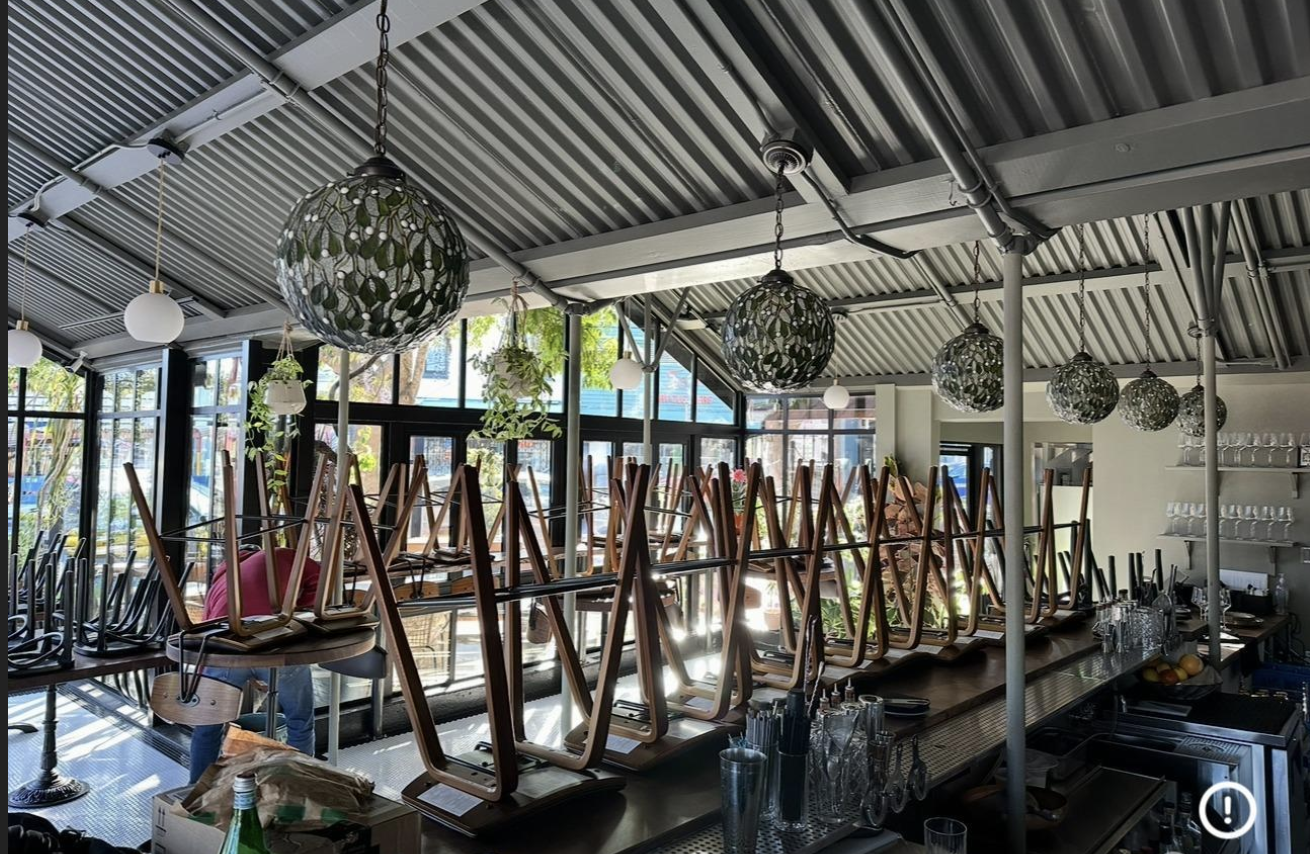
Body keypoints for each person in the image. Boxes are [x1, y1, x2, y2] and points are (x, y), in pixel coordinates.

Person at [188, 546, 320, 783]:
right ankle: (297, 788)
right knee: (299, 721)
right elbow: (323, 581)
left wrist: (201, 681)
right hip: (276, 641)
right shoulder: (281, 553)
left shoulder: (220, 579)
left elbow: (206, 632)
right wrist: (297, 611)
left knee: (208, 725)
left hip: (226, 649)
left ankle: (196, 791)